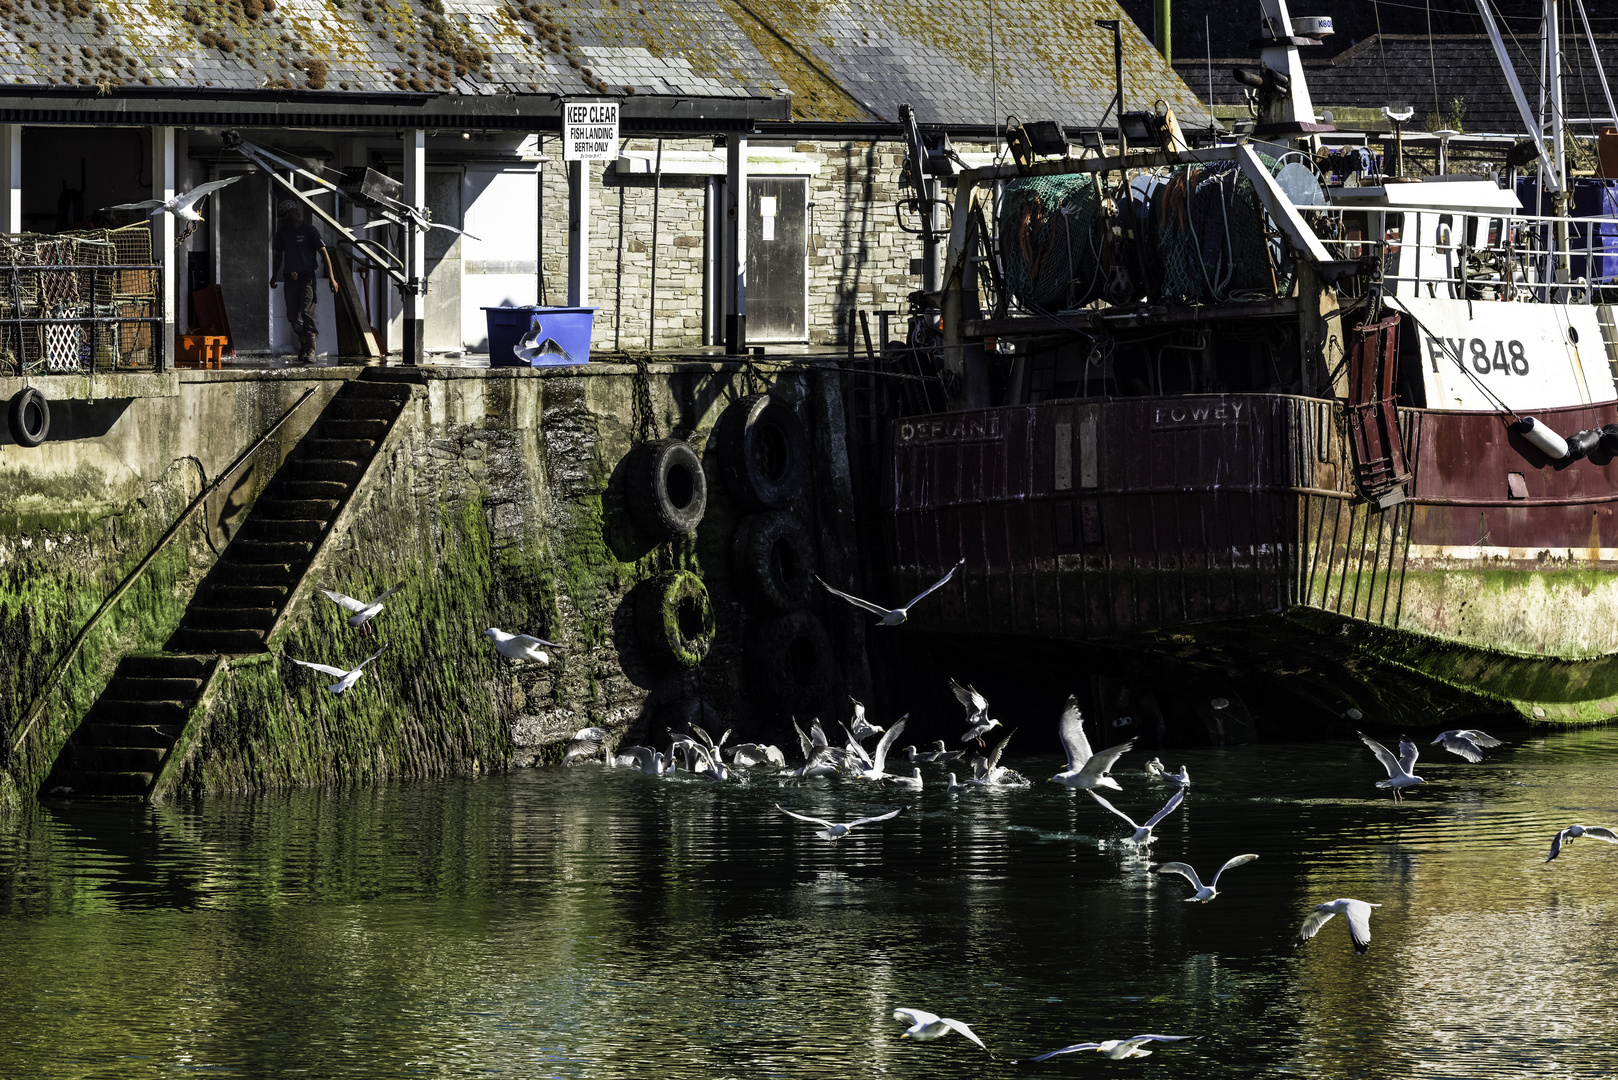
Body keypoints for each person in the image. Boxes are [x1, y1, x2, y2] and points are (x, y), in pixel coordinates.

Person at [270, 199, 326, 363]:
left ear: (293, 212)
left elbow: (324, 253)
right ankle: (303, 345)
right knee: (293, 316)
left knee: (307, 313)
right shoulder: (282, 233)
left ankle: (311, 350)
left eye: (284, 214)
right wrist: (274, 276)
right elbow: (278, 255)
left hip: (307, 277)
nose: (282, 218)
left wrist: (333, 278)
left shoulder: (309, 230)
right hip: (290, 278)